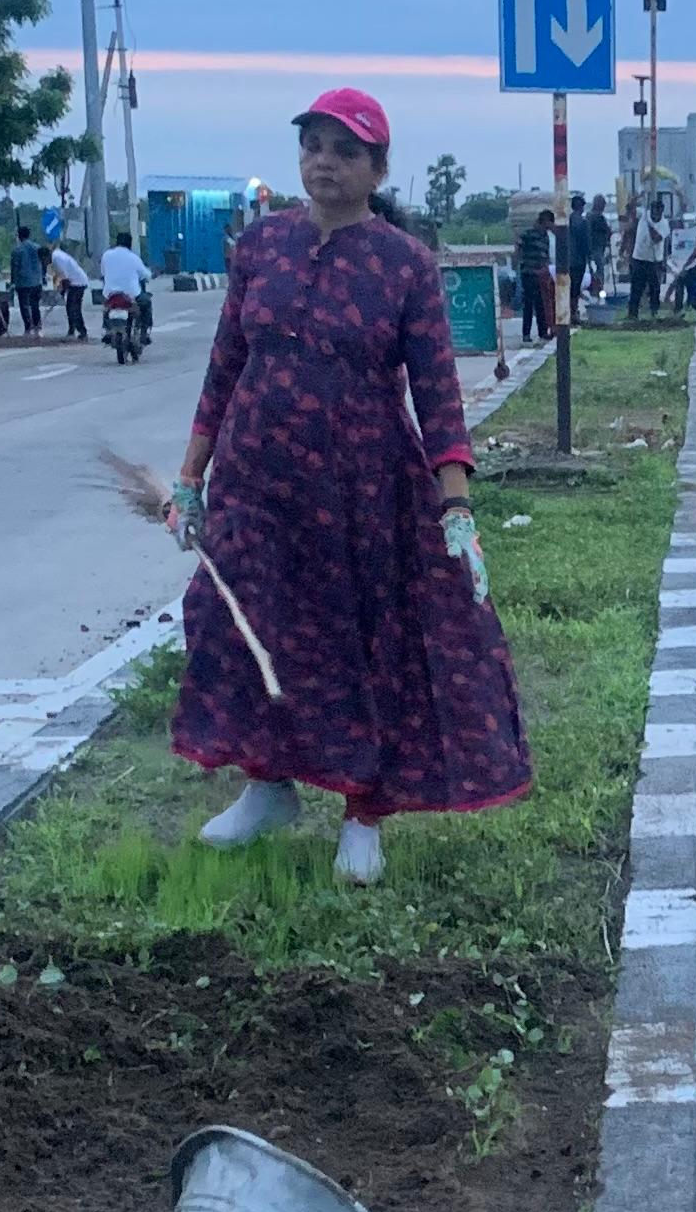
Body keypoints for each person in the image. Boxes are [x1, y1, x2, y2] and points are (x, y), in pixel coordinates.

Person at [167, 87, 529, 889]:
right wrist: (191, 476)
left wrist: (457, 508)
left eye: (345, 151)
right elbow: (225, 368)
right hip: (257, 482)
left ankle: (363, 812)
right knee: (244, 626)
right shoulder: (261, 246)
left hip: (362, 492)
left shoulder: (404, 265)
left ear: (378, 169)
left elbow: (438, 395)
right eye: (313, 146)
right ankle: (267, 786)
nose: (324, 162)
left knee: (362, 644)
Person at [99, 230, 151, 348]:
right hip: (131, 295)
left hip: (111, 294)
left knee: (106, 308)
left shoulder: (106, 255)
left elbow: (103, 272)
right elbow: (145, 274)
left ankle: (107, 329)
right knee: (147, 303)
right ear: (130, 244)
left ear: (116, 242)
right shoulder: (134, 257)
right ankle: (144, 333)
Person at [516, 210, 557, 344]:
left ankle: (543, 332)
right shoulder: (529, 234)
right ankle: (526, 334)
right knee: (528, 304)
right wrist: (522, 261)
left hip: (541, 274)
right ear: (545, 221)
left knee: (541, 304)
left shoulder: (546, 236)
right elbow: (518, 244)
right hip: (529, 273)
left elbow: (546, 255)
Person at [626, 198, 665, 324]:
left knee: (655, 287)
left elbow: (656, 238)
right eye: (653, 212)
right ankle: (632, 313)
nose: (655, 215)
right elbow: (630, 209)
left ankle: (654, 311)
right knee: (636, 287)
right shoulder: (644, 214)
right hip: (639, 258)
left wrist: (649, 225)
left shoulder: (664, 224)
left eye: (658, 213)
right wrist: (636, 198)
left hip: (654, 261)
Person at [10, 220, 46, 337]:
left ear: (19, 236)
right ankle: (38, 326)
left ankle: (28, 327)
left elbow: (14, 268)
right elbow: (44, 263)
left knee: (24, 306)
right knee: (35, 305)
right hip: (36, 281)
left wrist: (13, 282)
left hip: (23, 283)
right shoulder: (37, 247)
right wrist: (43, 277)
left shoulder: (17, 251)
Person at [48, 238, 91, 339]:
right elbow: (63, 277)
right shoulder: (56, 256)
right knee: (70, 307)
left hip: (78, 282)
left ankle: (82, 332)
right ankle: (72, 330)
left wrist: (62, 291)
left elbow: (66, 279)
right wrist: (62, 291)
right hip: (74, 282)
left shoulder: (57, 258)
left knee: (73, 308)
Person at [584, 194, 612, 299]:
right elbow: (590, 233)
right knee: (597, 270)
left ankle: (598, 289)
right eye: (602, 204)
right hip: (594, 249)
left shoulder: (600, 217)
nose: (603, 206)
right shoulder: (593, 217)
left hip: (599, 248)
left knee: (599, 270)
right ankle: (596, 289)